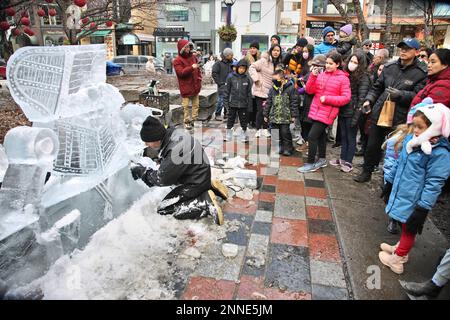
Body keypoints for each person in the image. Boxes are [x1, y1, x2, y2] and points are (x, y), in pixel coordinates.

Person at [378, 103, 450, 274]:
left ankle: (398, 259)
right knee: (405, 225)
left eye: (420, 127)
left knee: (409, 228)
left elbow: (435, 182)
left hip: (415, 198)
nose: (415, 130)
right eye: (414, 125)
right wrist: (389, 182)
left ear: (435, 128)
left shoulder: (439, 153)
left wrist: (423, 207)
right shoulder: (412, 141)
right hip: (403, 191)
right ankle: (400, 248)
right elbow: (399, 162)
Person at [354, 38, 428, 183]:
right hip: (381, 111)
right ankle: (367, 171)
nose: (403, 51)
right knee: (372, 145)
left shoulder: (421, 72)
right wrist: (369, 100)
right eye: (402, 48)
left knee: (394, 149)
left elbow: (418, 96)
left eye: (407, 48)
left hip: (400, 117)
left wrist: (401, 95)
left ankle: (388, 179)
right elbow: (377, 87)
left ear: (416, 52)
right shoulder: (390, 67)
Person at [130, 116, 227, 225]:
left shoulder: (175, 150)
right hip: (199, 174)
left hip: (194, 182)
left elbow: (162, 179)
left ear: (156, 139)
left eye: (147, 142)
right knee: (175, 195)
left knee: (164, 208)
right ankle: (208, 186)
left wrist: (142, 172)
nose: (146, 145)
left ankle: (204, 203)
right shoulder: (173, 134)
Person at [297, 51, 351, 173]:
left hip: (327, 112)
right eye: (326, 63)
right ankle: (322, 159)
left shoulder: (343, 79)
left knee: (312, 136)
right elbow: (310, 91)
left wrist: (327, 99)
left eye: (330, 64)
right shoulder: (322, 75)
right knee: (321, 136)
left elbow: (346, 98)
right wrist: (313, 76)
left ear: (337, 64)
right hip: (316, 110)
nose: (327, 66)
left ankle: (311, 163)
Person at [329, 50, 370, 173]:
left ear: (360, 64)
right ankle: (342, 158)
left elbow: (362, 98)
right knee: (343, 136)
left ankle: (348, 162)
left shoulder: (364, 77)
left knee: (351, 137)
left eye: (355, 62)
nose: (352, 64)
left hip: (353, 111)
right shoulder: (346, 74)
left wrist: (356, 116)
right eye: (351, 61)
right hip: (343, 109)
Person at [249, 44, 283, 138]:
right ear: (271, 51)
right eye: (274, 50)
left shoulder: (279, 63)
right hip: (261, 90)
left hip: (272, 91)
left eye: (278, 51)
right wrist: (256, 79)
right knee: (261, 111)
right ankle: (258, 129)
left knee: (268, 111)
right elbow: (252, 67)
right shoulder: (264, 61)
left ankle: (265, 129)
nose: (276, 52)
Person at [264, 68, 299, 156]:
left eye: (276, 79)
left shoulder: (291, 89)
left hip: (285, 117)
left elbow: (294, 102)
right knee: (275, 132)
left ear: (282, 79)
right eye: (273, 80)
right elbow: (268, 102)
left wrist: (293, 115)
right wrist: (266, 114)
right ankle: (277, 147)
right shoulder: (272, 90)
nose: (274, 81)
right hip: (274, 116)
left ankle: (287, 148)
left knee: (285, 133)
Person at [296, 53, 324, 153]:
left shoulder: (323, 75)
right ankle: (307, 142)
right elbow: (305, 82)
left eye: (318, 66)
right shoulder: (311, 72)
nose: (314, 67)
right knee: (305, 123)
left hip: (316, 103)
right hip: (307, 102)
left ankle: (310, 146)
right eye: (314, 65)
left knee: (312, 127)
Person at [173, 39, 203, 130]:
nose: (188, 48)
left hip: (195, 85)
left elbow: (197, 69)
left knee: (196, 105)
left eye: (189, 46)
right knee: (185, 106)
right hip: (185, 87)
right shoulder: (177, 60)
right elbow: (181, 73)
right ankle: (187, 121)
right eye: (186, 47)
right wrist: (191, 68)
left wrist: (199, 78)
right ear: (181, 48)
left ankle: (194, 119)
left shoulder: (193, 57)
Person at [223, 59, 253, 143]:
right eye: (240, 68)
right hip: (232, 103)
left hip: (243, 104)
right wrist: (226, 104)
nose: (242, 70)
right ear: (236, 68)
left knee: (244, 121)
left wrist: (249, 106)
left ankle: (244, 135)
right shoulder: (230, 77)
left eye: (244, 68)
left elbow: (249, 93)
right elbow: (226, 91)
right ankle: (228, 135)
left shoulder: (247, 79)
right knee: (230, 120)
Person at [212, 48, 234, 121]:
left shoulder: (232, 63)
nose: (232, 56)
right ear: (226, 55)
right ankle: (217, 114)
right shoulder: (218, 63)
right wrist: (220, 83)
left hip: (230, 85)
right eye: (230, 55)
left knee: (228, 100)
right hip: (222, 85)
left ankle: (226, 114)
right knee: (220, 100)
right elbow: (214, 73)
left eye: (232, 55)